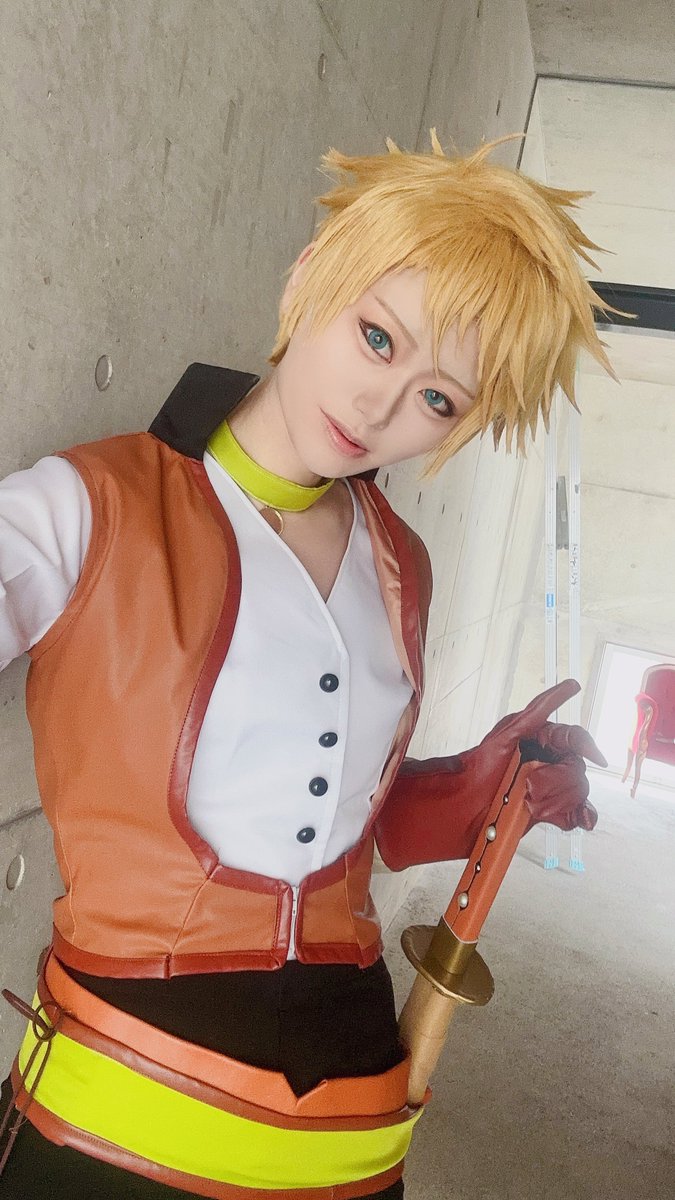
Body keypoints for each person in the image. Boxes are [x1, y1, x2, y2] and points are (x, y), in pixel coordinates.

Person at [0, 135, 609, 1199]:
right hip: (121, 1123)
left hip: (352, 1138)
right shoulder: (89, 508)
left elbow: (337, 832)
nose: (378, 409)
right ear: (307, 278)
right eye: (377, 338)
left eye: (438, 399)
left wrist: (478, 794)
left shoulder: (400, 565)